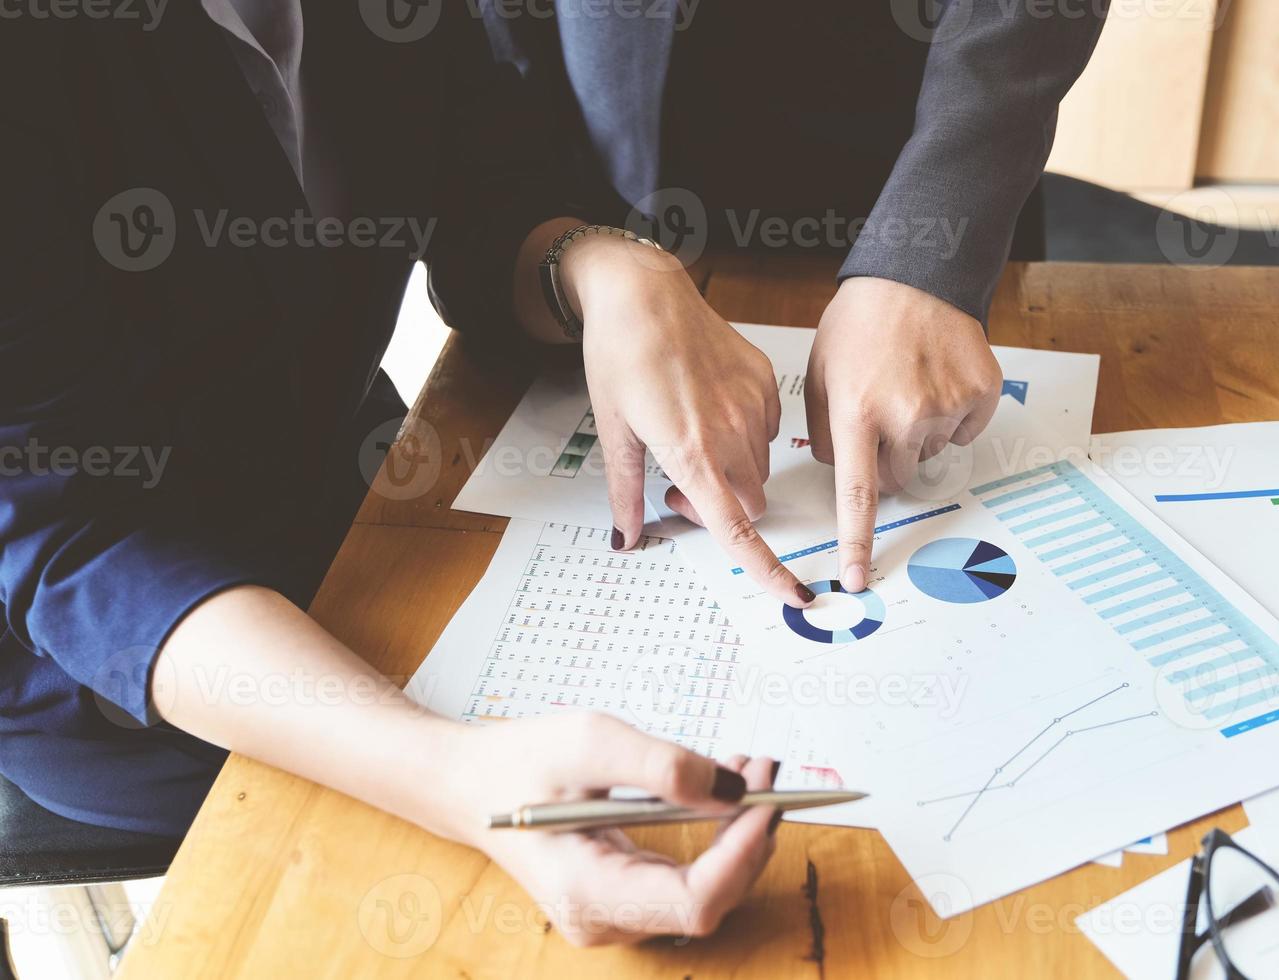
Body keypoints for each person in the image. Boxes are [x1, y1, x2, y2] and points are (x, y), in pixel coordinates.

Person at [0, 1, 785, 945]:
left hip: (364, 506)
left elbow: (481, 191)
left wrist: (600, 269)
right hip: (133, 668)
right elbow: (67, 533)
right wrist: (449, 774)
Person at [482, 0, 1108, 592]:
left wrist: (929, 254)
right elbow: (475, 133)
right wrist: (584, 255)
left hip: (925, 142)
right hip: (623, 181)